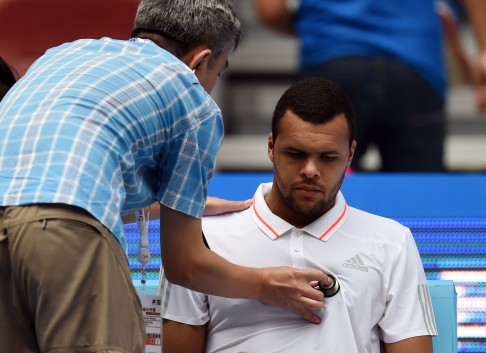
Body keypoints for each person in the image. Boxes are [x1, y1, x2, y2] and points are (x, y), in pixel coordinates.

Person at [0, 1, 331, 352]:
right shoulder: (192, 101)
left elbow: (36, 197)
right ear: (200, 61)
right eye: (218, 72)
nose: (212, 84)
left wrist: (175, 207)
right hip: (67, 234)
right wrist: (267, 284)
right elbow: (185, 265)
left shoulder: (63, 54)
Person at [161, 77, 437, 353]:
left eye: (328, 157)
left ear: (350, 154)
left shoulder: (393, 242)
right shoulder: (199, 239)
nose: (310, 170)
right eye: (295, 154)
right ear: (271, 147)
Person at [253, 0, 486, 172]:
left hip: (333, 60)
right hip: (415, 65)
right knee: (417, 197)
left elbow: (270, 11)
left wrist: (317, 24)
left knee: (317, 190)